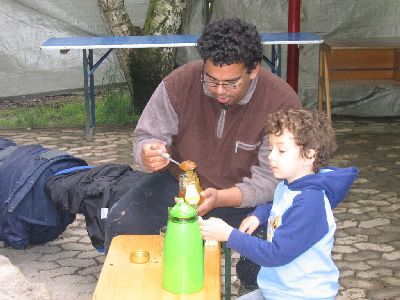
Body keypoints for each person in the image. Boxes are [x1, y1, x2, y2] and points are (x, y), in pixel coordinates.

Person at [104, 18, 301, 252]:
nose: (219, 91)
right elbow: (146, 136)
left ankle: (250, 288)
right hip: (179, 188)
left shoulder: (282, 103)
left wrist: (221, 198)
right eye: (211, 79)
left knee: (269, 246)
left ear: (254, 69)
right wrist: (147, 153)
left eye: (230, 83)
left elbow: (271, 180)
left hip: (247, 199)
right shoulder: (178, 84)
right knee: (122, 222)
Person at [199, 109, 358, 300]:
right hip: (277, 289)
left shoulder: (309, 203)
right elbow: (279, 206)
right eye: (271, 149)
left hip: (302, 295)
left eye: (281, 150)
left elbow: (275, 254)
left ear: (309, 155)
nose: (271, 157)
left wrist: (228, 234)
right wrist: (259, 215)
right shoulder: (289, 185)